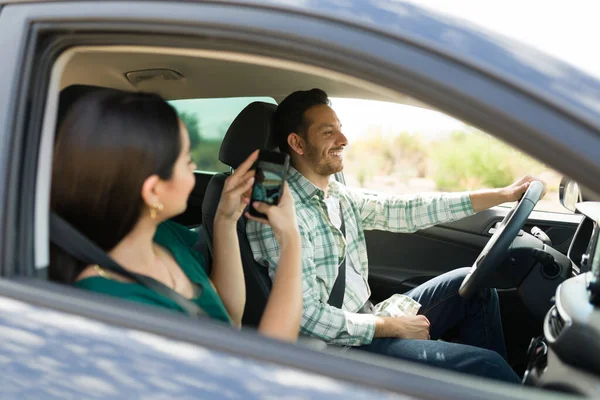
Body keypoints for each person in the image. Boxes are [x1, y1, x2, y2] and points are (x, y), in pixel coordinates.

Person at [247, 88, 546, 381]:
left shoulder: (336, 195)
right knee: (487, 364)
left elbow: (406, 208)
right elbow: (308, 317)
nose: (344, 140)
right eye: (328, 133)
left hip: (366, 317)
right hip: (339, 348)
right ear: (297, 144)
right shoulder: (278, 213)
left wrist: (502, 194)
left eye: (340, 129)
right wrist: (391, 326)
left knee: (474, 287)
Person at [50, 90, 302, 342]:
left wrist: (225, 220)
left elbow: (229, 320)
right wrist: (291, 239)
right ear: (153, 190)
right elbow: (267, 362)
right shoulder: (112, 303)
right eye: (187, 160)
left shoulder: (166, 237)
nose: (194, 168)